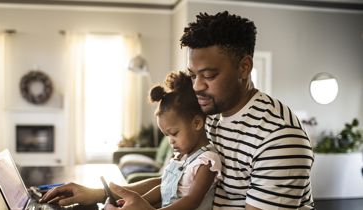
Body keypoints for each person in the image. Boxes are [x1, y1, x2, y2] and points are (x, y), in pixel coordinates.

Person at [40, 11, 314, 210]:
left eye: (209, 75)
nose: (197, 86)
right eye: (193, 74)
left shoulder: (279, 138)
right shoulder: (207, 114)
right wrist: (100, 193)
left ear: (244, 66)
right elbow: (178, 179)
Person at [142, 70, 222, 210]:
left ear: (197, 123)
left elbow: (192, 201)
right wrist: (137, 201)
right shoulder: (182, 156)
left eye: (174, 133)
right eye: (167, 136)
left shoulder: (207, 161)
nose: (171, 141)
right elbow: (164, 187)